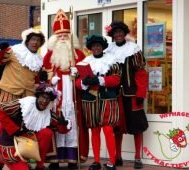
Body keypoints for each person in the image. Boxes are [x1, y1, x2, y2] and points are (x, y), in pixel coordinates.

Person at [0, 28, 45, 170]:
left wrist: (43, 81)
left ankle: (17, 157)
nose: (35, 42)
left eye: (38, 40)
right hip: (9, 93)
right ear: (27, 40)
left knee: (24, 128)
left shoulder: (39, 60)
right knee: (5, 126)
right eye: (33, 39)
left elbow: (35, 78)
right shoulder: (14, 51)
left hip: (27, 98)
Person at [42, 9, 89, 170]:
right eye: (60, 36)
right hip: (57, 96)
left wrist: (78, 76)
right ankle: (55, 159)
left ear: (70, 37)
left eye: (65, 36)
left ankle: (72, 159)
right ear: (55, 38)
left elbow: (86, 78)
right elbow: (42, 77)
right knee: (57, 124)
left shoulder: (79, 55)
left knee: (72, 125)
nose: (63, 39)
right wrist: (51, 79)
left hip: (73, 96)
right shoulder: (49, 55)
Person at [0, 82, 71, 170]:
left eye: (48, 99)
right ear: (38, 96)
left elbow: (61, 129)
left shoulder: (47, 114)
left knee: (47, 133)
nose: (45, 101)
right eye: (43, 97)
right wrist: (14, 129)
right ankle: (0, 159)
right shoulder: (24, 104)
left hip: (27, 143)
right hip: (10, 140)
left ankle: (39, 166)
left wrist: (64, 124)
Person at [105, 21, 148, 169]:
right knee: (117, 126)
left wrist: (141, 93)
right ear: (112, 35)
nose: (118, 35)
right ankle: (118, 156)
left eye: (120, 32)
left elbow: (141, 73)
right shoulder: (108, 51)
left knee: (137, 127)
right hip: (115, 95)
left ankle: (137, 157)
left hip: (132, 94)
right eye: (115, 33)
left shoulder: (133, 49)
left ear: (124, 33)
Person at [75, 35, 121, 170]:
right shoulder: (85, 62)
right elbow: (77, 82)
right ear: (90, 48)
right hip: (90, 100)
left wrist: (101, 80)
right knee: (94, 130)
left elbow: (117, 79)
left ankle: (112, 161)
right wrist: (83, 82)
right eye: (93, 46)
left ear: (102, 47)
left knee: (108, 129)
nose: (96, 48)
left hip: (107, 98)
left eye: (98, 46)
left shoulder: (112, 61)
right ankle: (96, 161)